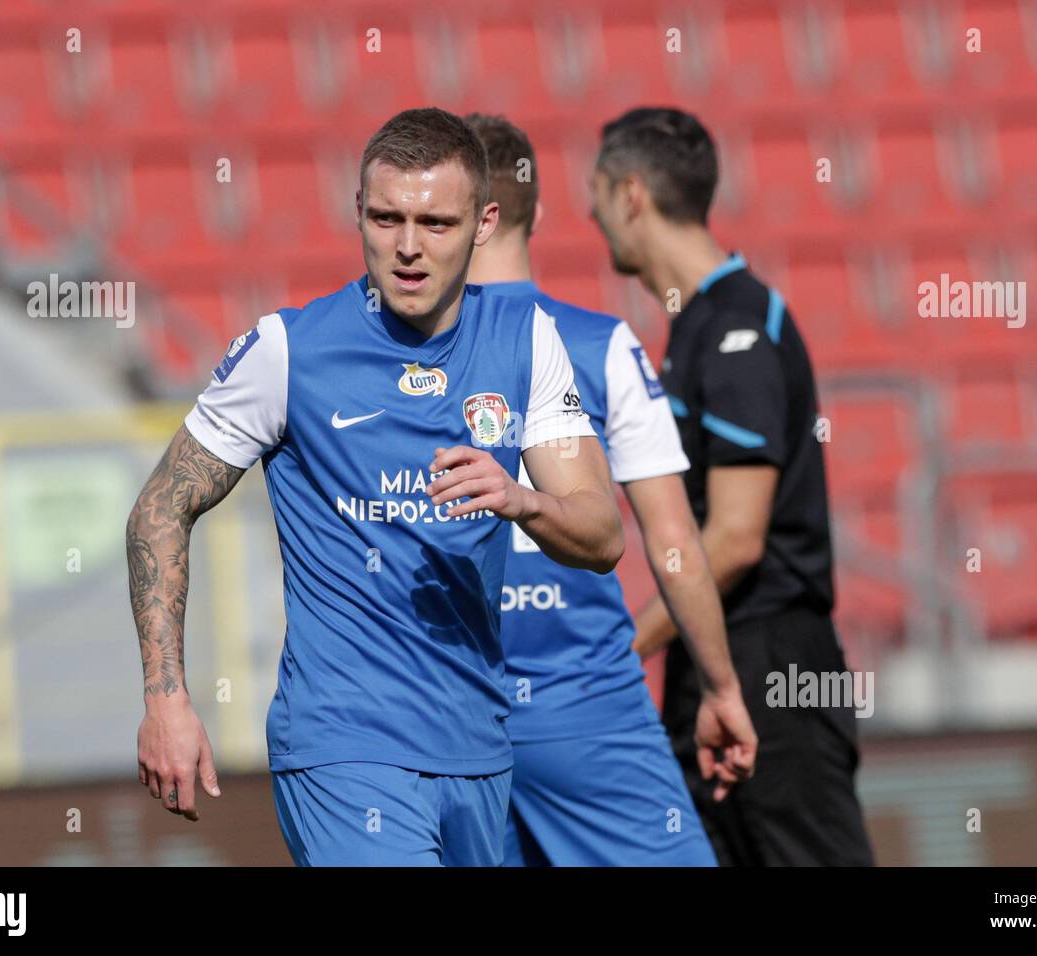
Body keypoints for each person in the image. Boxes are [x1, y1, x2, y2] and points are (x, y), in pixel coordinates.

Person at [126, 107, 625, 867]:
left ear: (485, 223)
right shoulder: (288, 351)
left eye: (436, 222)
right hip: (343, 746)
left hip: (478, 745)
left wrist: (523, 498)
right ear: (357, 210)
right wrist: (166, 697)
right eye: (387, 217)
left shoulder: (525, 342)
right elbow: (161, 506)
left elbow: (603, 534)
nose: (409, 247)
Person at [462, 113, 757, 866]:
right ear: (535, 213)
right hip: (584, 706)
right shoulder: (600, 344)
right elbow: (674, 541)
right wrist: (720, 687)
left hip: (452, 717)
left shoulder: (402, 360)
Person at [590, 107, 875, 866]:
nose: (589, 214)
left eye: (596, 193)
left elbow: (738, 537)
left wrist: (619, 646)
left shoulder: (740, 327)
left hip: (774, 661)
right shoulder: (696, 327)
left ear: (629, 195)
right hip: (715, 652)